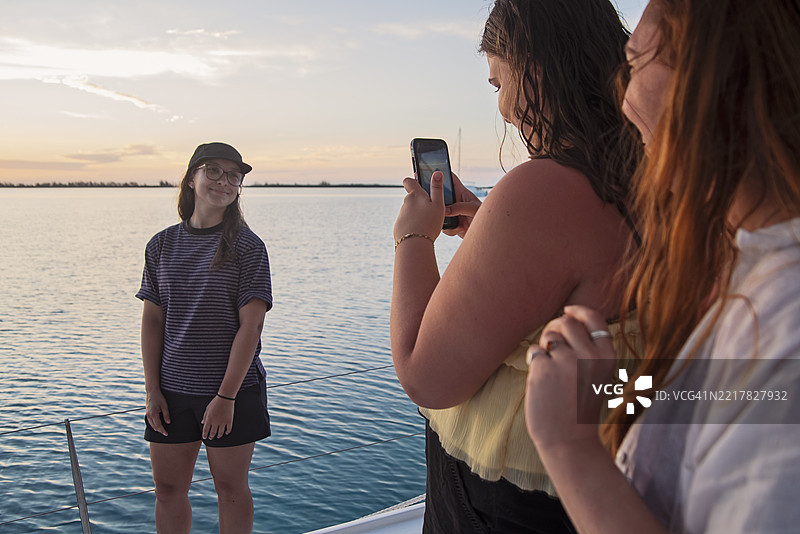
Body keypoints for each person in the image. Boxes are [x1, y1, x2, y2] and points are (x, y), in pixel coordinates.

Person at [524, 1, 800, 532]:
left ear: (717, 80)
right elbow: (712, 394)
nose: (621, 90)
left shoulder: (785, 324)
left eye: (636, 59)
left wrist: (568, 445)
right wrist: (603, 388)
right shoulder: (744, 256)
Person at [390, 0, 642, 531]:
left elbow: (424, 376)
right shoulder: (654, 176)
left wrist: (413, 236)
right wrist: (492, 231)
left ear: (534, 66)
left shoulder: (543, 189)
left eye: (497, 82)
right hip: (610, 473)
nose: (503, 106)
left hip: (510, 507)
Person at [136, 142, 272, 534]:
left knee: (230, 488)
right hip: (172, 393)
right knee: (167, 489)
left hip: (233, 392)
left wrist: (226, 398)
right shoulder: (161, 244)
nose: (224, 181)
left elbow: (252, 327)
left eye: (233, 176)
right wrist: (152, 390)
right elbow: (152, 321)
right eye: (213, 170)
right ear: (191, 178)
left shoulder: (248, 247)